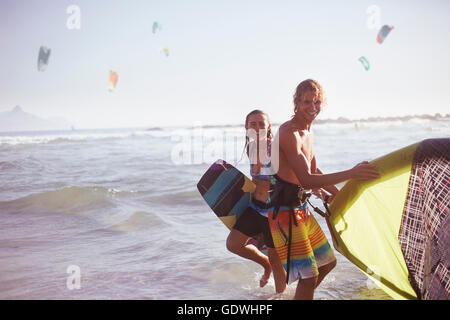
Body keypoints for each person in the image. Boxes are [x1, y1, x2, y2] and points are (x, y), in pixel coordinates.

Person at [268, 79, 380, 300]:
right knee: (309, 277)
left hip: (300, 210)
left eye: (317, 102)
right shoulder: (289, 133)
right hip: (284, 214)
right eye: (307, 102)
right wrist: (352, 173)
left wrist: (338, 195)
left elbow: (315, 170)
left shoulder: (308, 131)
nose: (313, 107)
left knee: (328, 263)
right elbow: (306, 180)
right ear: (297, 103)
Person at [226, 109, 286, 294]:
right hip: (255, 208)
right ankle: (264, 264)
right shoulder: (251, 148)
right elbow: (256, 181)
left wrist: (322, 190)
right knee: (233, 244)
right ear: (246, 127)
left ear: (268, 127)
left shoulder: (276, 149)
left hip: (273, 211)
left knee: (277, 261)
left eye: (262, 124)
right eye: (253, 124)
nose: (258, 128)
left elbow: (295, 175)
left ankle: (280, 296)